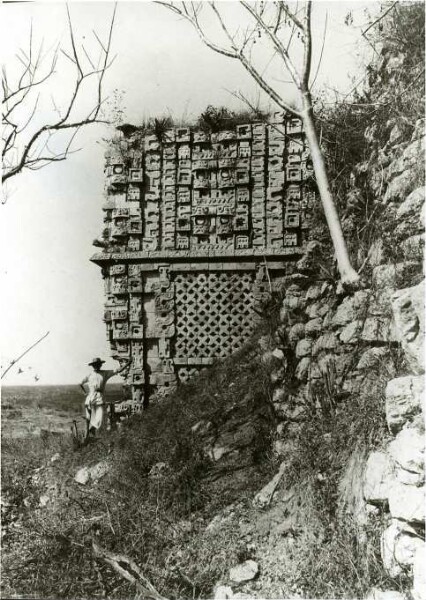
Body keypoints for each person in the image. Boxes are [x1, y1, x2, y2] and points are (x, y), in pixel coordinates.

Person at [79, 357, 131, 441]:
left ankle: (91, 431)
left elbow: (118, 370)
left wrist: (128, 364)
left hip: (99, 397)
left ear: (100, 365)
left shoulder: (105, 373)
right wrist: (85, 393)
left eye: (98, 364)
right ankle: (86, 436)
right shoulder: (89, 375)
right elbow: (80, 383)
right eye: (95, 365)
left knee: (99, 418)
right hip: (90, 397)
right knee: (88, 418)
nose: (96, 366)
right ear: (92, 366)